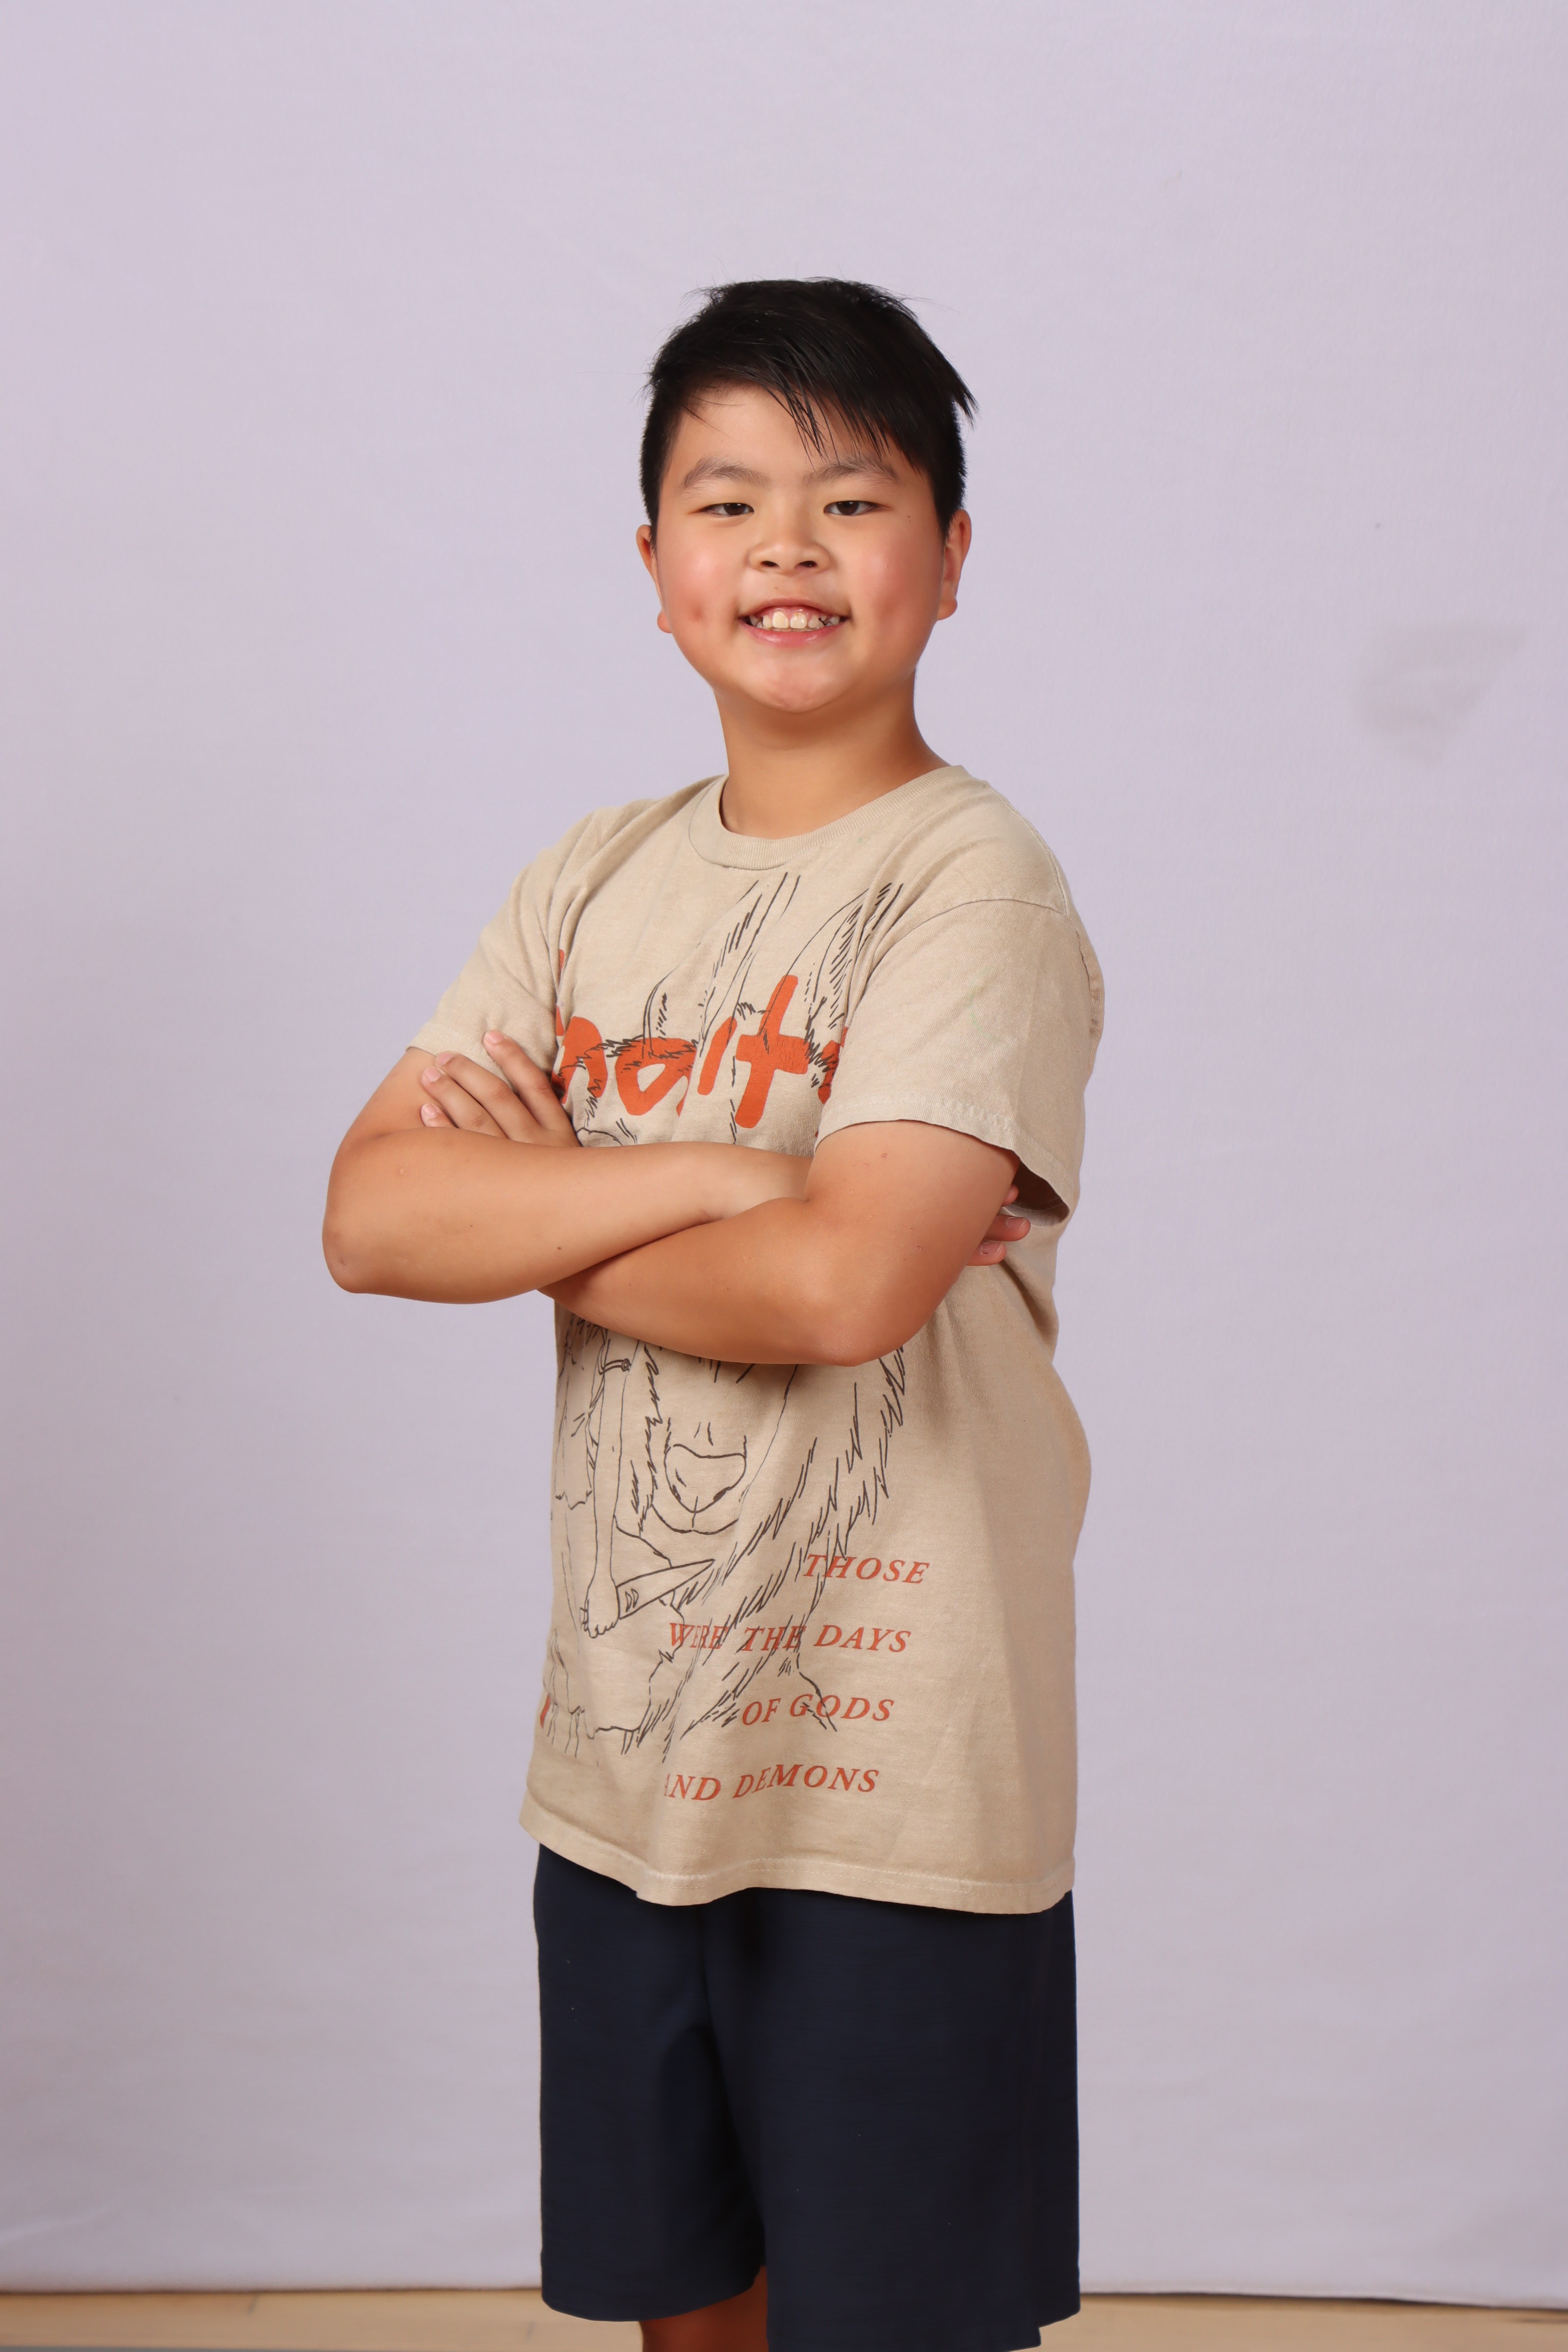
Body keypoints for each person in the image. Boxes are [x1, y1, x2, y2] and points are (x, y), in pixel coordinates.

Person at [323, 278, 1103, 2352]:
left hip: (893, 1778)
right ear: (657, 561)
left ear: (950, 555)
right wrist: (729, 1177)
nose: (785, 548)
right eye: (728, 500)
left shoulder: (973, 885)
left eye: (850, 499)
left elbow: (847, 1290)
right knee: (690, 2311)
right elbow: (373, 1218)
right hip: (628, 1756)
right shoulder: (589, 876)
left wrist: (546, 1213)